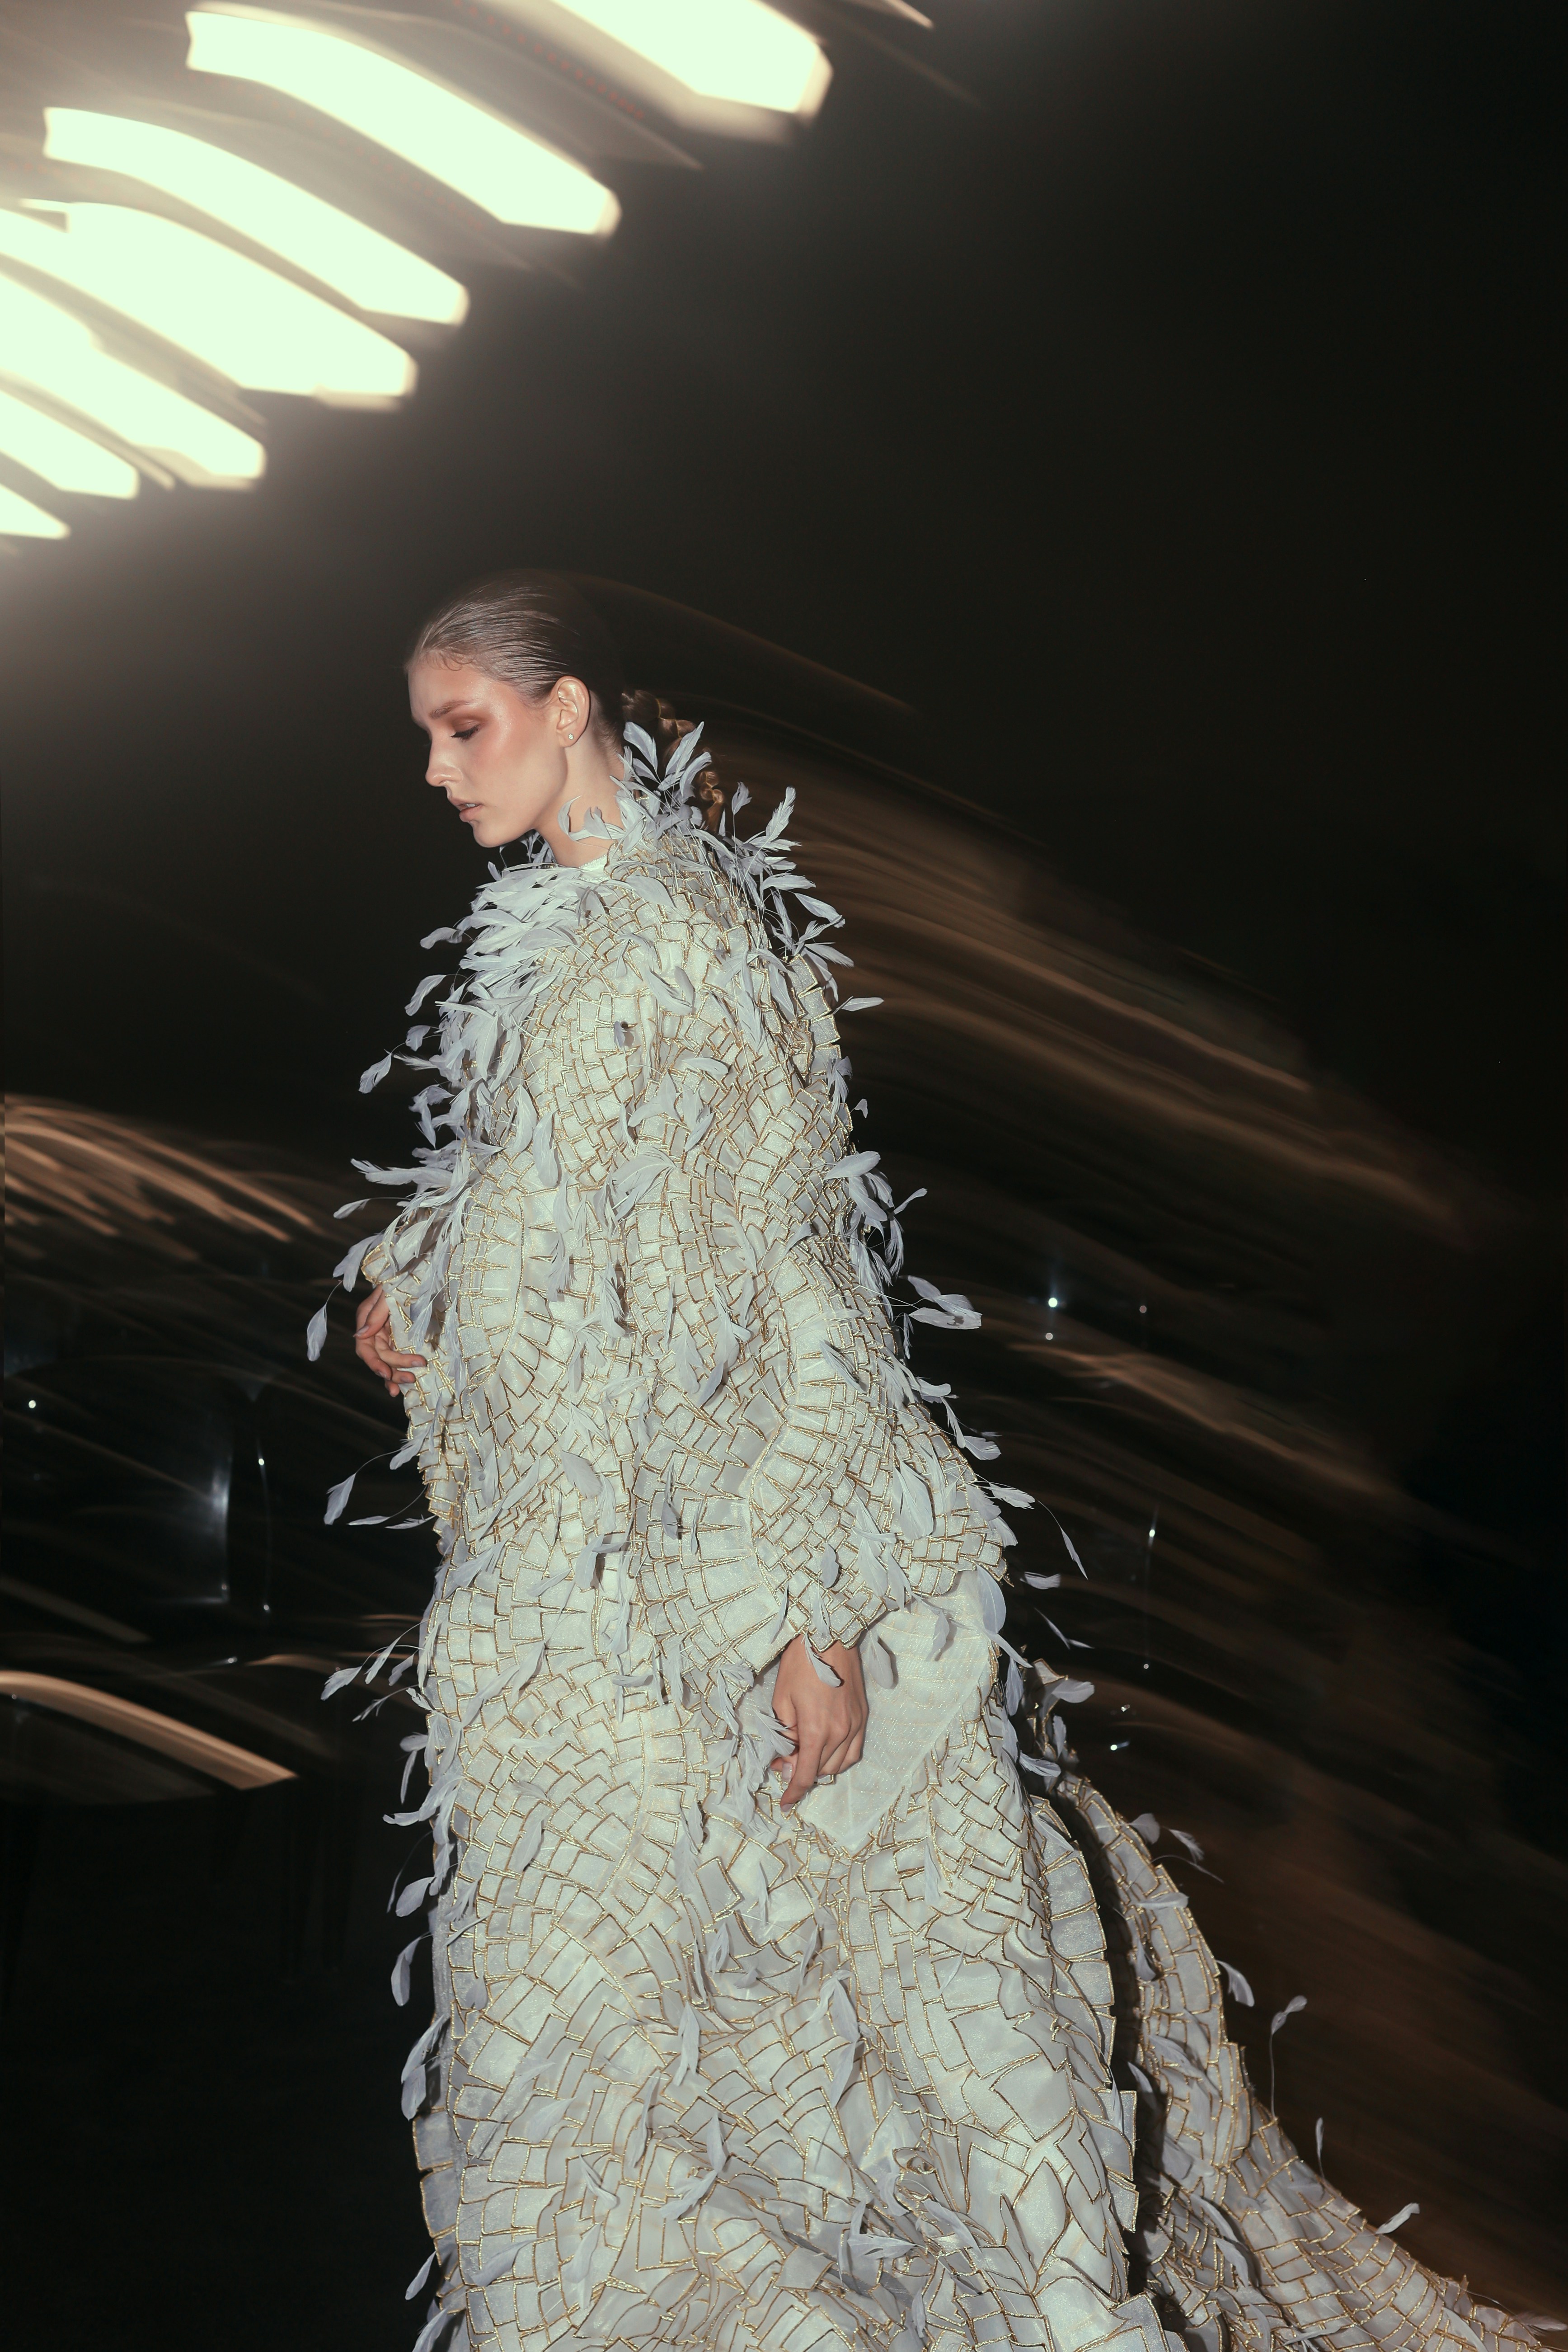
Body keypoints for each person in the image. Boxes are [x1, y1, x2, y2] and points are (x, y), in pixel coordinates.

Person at [335, 573, 1538, 2352]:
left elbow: (787, 1290)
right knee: (668, 2068)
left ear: (571, 706)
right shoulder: (561, 943)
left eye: (465, 725)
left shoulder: (686, 941)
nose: (438, 771)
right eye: (428, 735)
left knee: (915, 2031)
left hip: (740, 1581)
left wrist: (807, 1610)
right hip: (597, 1598)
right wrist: (421, 1280)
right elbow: (566, 1238)